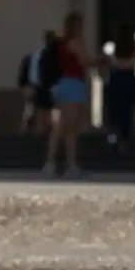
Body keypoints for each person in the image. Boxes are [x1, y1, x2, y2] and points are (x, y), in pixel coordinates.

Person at [42, 11, 102, 178]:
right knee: (68, 128)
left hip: (65, 84)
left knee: (65, 127)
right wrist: (101, 61)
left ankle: (64, 163)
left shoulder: (62, 42)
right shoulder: (75, 41)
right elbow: (84, 61)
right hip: (73, 84)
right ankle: (60, 164)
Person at [103, 23, 135, 159]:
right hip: (129, 79)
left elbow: (106, 62)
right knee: (127, 112)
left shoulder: (111, 47)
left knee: (114, 112)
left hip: (116, 80)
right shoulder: (134, 47)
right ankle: (124, 142)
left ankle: (112, 137)